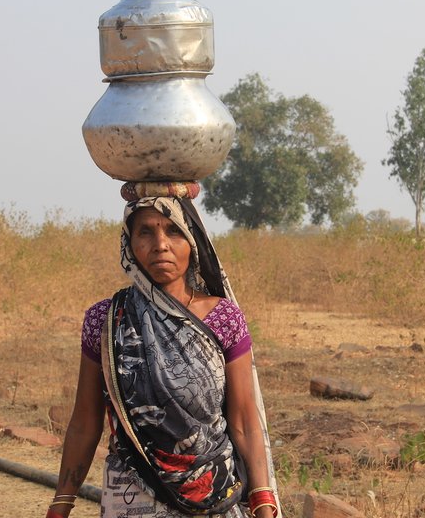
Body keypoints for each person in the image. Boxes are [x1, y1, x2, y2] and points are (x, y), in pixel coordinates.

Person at [45, 195, 280, 518]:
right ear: (129, 243)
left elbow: (243, 421)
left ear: (193, 240)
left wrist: (262, 499)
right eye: (146, 232)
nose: (160, 245)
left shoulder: (223, 318)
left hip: (213, 491)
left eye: (173, 230)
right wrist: (62, 502)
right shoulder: (107, 319)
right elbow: (85, 422)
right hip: (132, 495)